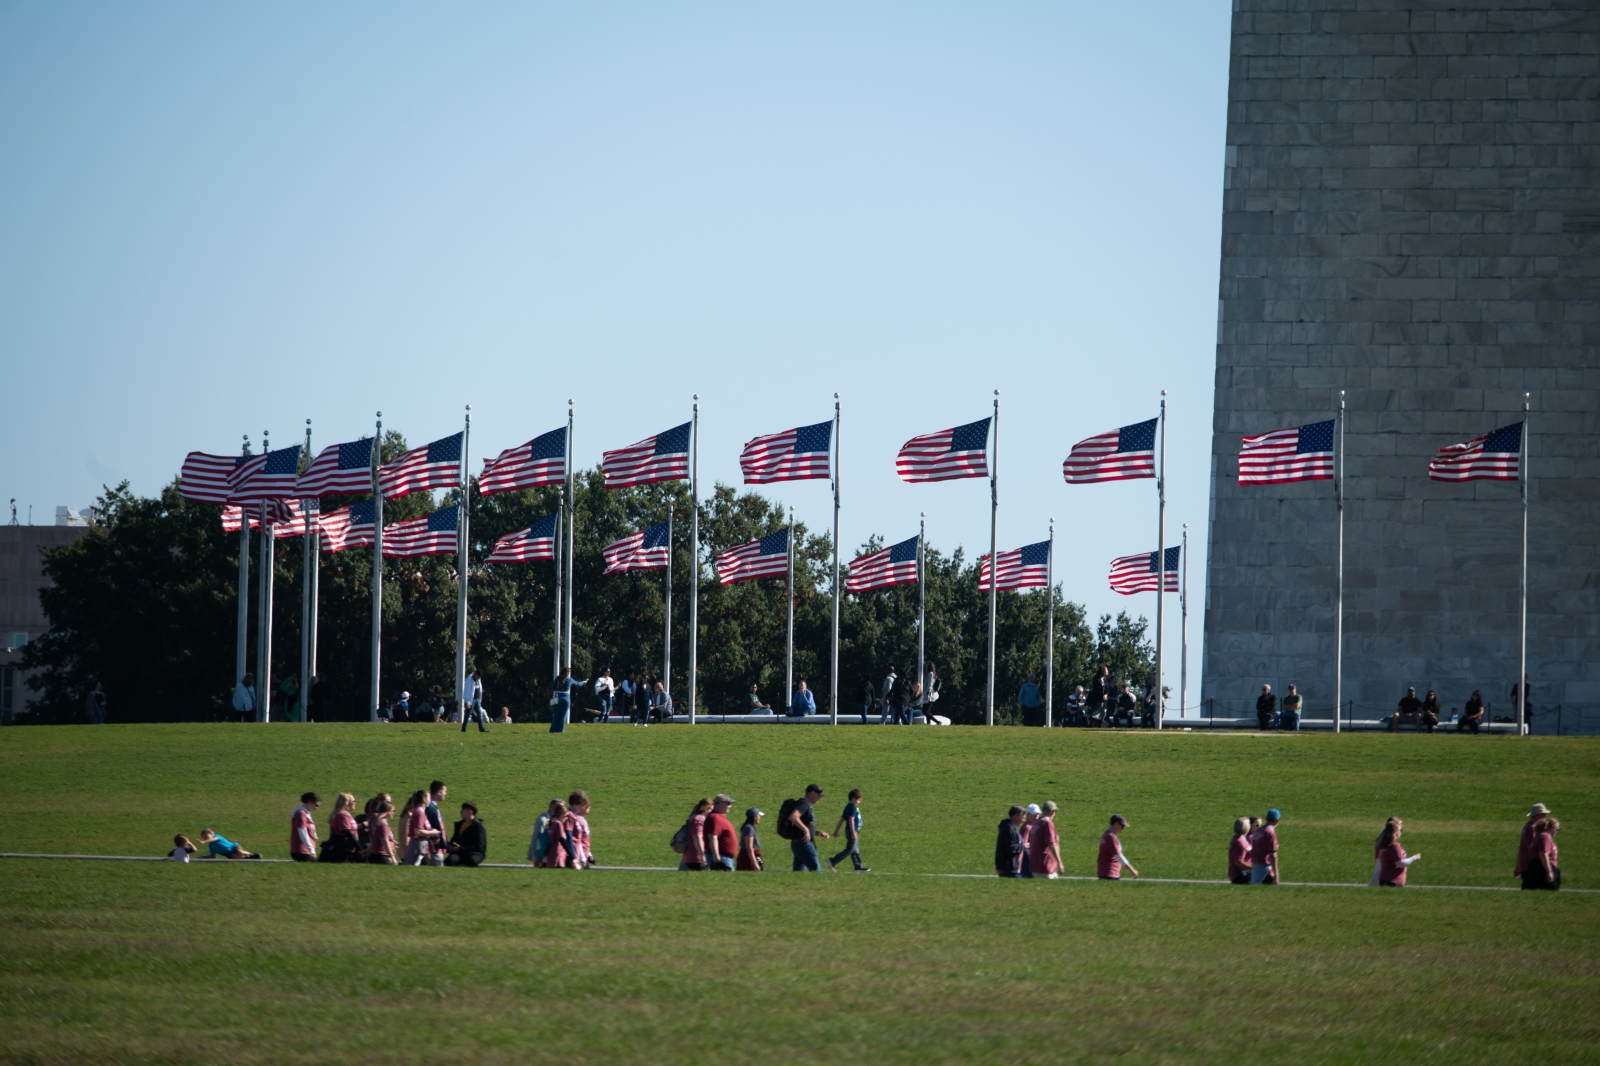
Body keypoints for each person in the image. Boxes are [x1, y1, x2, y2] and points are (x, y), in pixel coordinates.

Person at [782, 784, 829, 871]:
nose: (820, 798)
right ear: (812, 793)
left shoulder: (805, 804)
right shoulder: (804, 804)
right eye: (819, 795)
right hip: (803, 844)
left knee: (798, 873)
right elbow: (793, 817)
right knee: (816, 871)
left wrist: (817, 832)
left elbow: (803, 825)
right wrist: (806, 830)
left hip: (800, 843)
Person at [829, 788, 868, 872]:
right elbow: (851, 819)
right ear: (853, 798)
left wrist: (836, 830)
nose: (859, 802)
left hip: (851, 831)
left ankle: (858, 866)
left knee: (855, 849)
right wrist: (853, 832)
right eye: (859, 800)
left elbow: (842, 819)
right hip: (852, 831)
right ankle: (833, 861)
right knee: (850, 849)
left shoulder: (848, 806)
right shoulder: (852, 807)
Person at [1375, 818, 1420, 887]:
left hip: (1383, 878)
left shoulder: (1382, 845)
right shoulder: (1394, 847)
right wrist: (1415, 857)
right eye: (1400, 830)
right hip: (1393, 881)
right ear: (1396, 832)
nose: (1401, 832)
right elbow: (1400, 863)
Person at [1514, 802, 1552, 883]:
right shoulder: (1532, 829)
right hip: (1531, 867)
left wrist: (1518, 867)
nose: (1546, 816)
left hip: (1527, 866)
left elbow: (1521, 849)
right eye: (1543, 814)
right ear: (1536, 815)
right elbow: (1533, 849)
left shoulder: (1529, 827)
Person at [401, 789, 441, 865]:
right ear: (424, 799)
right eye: (429, 798)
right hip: (418, 846)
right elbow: (418, 831)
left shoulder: (421, 811)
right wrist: (432, 833)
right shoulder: (419, 813)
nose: (430, 800)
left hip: (421, 846)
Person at [1097, 814, 1138, 880]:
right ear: (1116, 824)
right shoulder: (1110, 837)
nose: (1123, 829)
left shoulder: (1106, 835)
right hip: (1110, 874)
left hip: (1106, 873)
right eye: (1122, 826)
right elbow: (1119, 856)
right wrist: (1132, 870)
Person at [1524, 817, 1561, 891]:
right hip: (1542, 869)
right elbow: (1543, 854)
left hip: (1537, 867)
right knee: (1551, 892)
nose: (1557, 831)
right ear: (1551, 828)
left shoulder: (1539, 836)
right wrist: (1549, 872)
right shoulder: (1544, 837)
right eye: (1557, 828)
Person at [446, 802, 487, 867]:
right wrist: (452, 845)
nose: (461, 811)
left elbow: (480, 846)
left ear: (470, 811)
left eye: (463, 810)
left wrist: (461, 848)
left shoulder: (478, 826)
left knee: (472, 861)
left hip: (474, 853)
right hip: (459, 853)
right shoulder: (459, 824)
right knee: (451, 860)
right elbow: (455, 839)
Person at [322, 793, 360, 862]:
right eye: (353, 801)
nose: (355, 803)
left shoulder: (346, 815)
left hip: (348, 849)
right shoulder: (343, 815)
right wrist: (360, 848)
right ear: (347, 803)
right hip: (341, 851)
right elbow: (347, 833)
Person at [1029, 801, 1062, 879]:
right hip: (1046, 866)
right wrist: (1059, 862)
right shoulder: (1047, 823)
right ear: (1053, 811)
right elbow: (1051, 844)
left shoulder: (1036, 822)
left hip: (1035, 866)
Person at [550, 666, 588, 733]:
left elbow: (553, 687)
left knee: (556, 715)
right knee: (563, 716)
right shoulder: (570, 679)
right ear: (568, 673)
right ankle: (560, 730)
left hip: (558, 698)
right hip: (566, 699)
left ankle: (553, 730)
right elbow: (578, 684)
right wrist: (584, 682)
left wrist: (558, 689)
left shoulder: (558, 678)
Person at [706, 794, 738, 870]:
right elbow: (713, 837)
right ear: (721, 803)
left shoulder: (719, 817)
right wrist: (716, 855)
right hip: (721, 858)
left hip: (724, 857)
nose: (730, 806)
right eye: (728, 803)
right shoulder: (715, 817)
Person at [679, 798, 712, 871]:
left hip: (690, 856)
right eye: (710, 810)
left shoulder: (693, 817)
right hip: (696, 857)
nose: (711, 813)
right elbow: (697, 837)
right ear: (705, 809)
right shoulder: (699, 819)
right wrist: (703, 856)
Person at [1250, 809, 1281, 884]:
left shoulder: (1258, 831)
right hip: (1265, 867)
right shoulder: (1270, 833)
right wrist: (1276, 875)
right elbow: (1273, 855)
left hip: (1255, 865)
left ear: (1266, 818)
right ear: (1277, 821)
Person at [995, 806, 1026, 878]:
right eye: (1023, 817)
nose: (1023, 820)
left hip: (1009, 868)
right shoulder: (1009, 829)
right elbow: (1010, 847)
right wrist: (1023, 846)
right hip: (1009, 869)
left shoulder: (1010, 828)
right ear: (1016, 815)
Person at [290, 792, 321, 863]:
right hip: (302, 851)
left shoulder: (306, 813)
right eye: (316, 805)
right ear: (310, 802)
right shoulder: (301, 813)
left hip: (306, 851)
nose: (317, 808)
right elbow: (303, 833)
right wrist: (312, 851)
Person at [528, 799, 561, 866]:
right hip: (542, 858)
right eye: (559, 807)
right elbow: (536, 839)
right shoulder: (543, 820)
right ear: (551, 806)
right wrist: (536, 859)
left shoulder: (556, 820)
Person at [567, 790, 593, 868]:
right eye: (582, 805)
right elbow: (577, 839)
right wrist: (583, 858)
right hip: (576, 856)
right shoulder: (570, 816)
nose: (583, 808)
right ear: (575, 804)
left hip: (581, 855)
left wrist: (588, 854)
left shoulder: (578, 816)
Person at [1228, 817, 1253, 884]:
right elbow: (1238, 862)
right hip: (1240, 875)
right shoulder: (1239, 842)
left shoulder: (1240, 839)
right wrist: (1253, 869)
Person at [1020, 804, 1040, 877]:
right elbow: (1024, 844)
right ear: (1027, 814)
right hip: (1027, 860)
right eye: (1034, 814)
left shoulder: (1032, 826)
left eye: (1037, 814)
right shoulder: (1027, 827)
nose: (1036, 816)